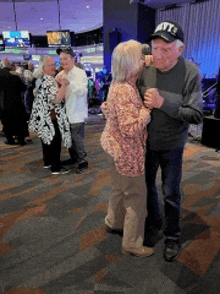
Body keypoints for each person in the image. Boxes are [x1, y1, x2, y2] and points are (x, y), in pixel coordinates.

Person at [137, 20, 203, 262]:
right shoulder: (144, 67)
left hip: (173, 144)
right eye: (155, 48)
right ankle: (154, 223)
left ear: (180, 49)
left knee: (170, 193)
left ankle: (173, 236)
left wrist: (163, 103)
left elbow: (195, 116)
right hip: (145, 143)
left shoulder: (190, 73)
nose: (159, 56)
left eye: (166, 50)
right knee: (146, 188)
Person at [100, 40, 154, 258]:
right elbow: (130, 128)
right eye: (140, 58)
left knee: (118, 189)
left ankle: (113, 222)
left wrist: (147, 60)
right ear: (132, 63)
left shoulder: (119, 83)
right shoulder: (125, 91)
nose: (144, 60)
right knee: (136, 197)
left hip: (116, 150)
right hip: (127, 153)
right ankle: (131, 243)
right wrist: (147, 110)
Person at [29, 56, 72, 174]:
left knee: (46, 139)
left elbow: (35, 93)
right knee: (55, 140)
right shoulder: (47, 80)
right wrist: (64, 85)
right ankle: (56, 167)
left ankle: (48, 162)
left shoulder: (40, 79)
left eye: (54, 64)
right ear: (43, 67)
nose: (53, 67)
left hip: (43, 114)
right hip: (50, 115)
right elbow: (56, 99)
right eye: (50, 65)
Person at [56, 47, 89, 174]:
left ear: (73, 59)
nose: (63, 61)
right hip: (66, 113)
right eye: (61, 59)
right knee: (69, 138)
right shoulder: (61, 74)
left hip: (77, 113)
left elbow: (82, 92)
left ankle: (83, 161)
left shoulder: (80, 73)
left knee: (77, 138)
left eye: (65, 58)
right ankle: (74, 158)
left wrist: (69, 83)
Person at [0, 58, 28, 146]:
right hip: (17, 103)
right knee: (18, 121)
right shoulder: (15, 75)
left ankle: (10, 139)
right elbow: (23, 88)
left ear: (2, 65)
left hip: (3, 103)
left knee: (6, 122)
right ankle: (20, 140)